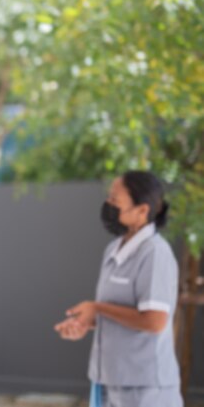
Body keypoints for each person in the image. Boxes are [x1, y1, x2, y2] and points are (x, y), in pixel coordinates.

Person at [54, 170, 182, 407]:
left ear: (142, 210)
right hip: (109, 383)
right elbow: (120, 313)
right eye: (109, 197)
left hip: (145, 389)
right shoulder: (113, 251)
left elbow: (154, 321)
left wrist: (98, 308)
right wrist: (86, 321)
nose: (108, 204)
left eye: (115, 199)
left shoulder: (155, 253)